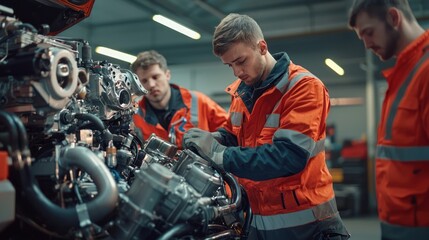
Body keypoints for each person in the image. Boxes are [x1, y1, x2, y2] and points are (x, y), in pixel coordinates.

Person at [183, 13, 349, 240]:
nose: (237, 72)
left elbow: (288, 156)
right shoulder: (242, 93)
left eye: (241, 61)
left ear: (262, 47)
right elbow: (235, 134)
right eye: (229, 65)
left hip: (308, 226)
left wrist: (218, 153)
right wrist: (213, 138)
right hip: (258, 223)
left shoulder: (303, 88)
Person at [348, 1, 429, 239]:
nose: (366, 44)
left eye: (369, 32)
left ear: (394, 18)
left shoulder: (425, 72)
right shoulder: (403, 74)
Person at [131, 50, 228, 149]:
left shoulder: (198, 101)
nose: (151, 85)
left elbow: (229, 131)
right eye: (144, 81)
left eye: (155, 77)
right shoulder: (135, 116)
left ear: (167, 75)